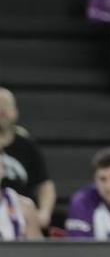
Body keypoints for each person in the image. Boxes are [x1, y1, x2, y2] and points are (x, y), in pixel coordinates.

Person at [0, 88, 55, 232]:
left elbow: (45, 185)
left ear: (15, 111)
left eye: (5, 105)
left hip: (23, 215)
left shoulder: (26, 145)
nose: (1, 110)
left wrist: (44, 212)